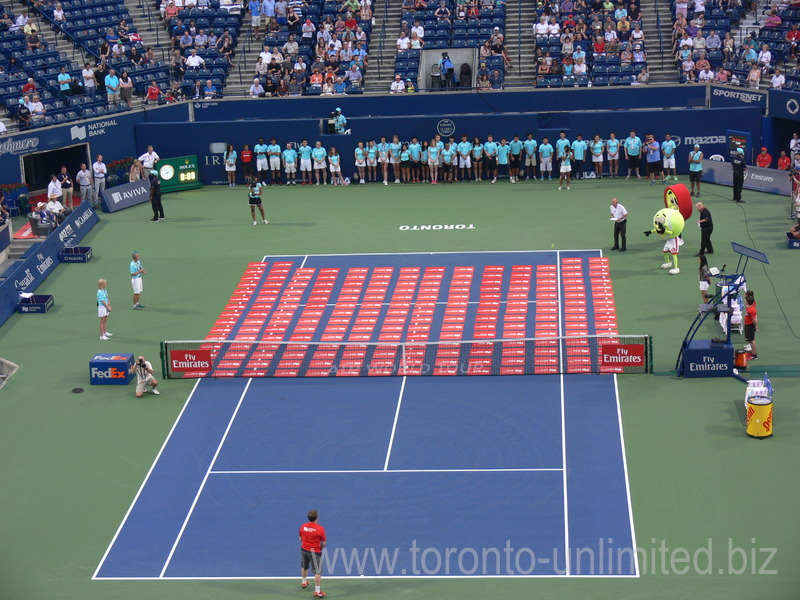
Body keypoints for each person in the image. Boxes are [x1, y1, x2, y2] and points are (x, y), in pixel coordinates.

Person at [299, 509, 326, 598]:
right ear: (316, 518)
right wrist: (320, 548)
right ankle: (317, 592)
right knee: (318, 572)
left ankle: (304, 582)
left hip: (304, 550)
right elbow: (323, 543)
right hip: (315, 552)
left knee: (304, 566)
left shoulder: (303, 527)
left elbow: (300, 538)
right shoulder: (320, 529)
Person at [744, 290, 758, 360]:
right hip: (748, 325)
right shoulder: (750, 308)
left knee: (752, 340)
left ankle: (754, 355)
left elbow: (754, 319)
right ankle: (752, 352)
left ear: (747, 301)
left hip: (750, 326)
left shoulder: (751, 310)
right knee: (750, 340)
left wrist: (755, 326)